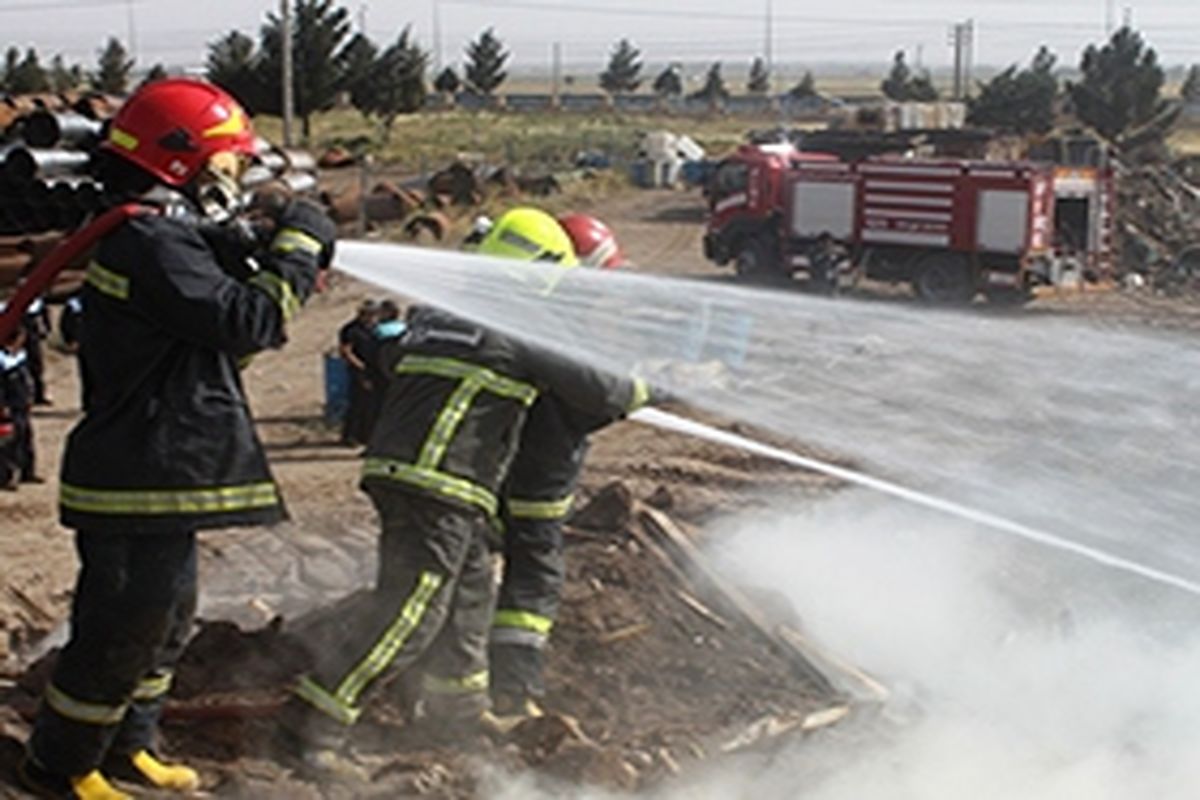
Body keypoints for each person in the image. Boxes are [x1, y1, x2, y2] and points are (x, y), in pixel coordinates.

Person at [19, 77, 336, 800]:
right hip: (135, 473)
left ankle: (132, 746)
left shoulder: (169, 239)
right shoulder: (148, 241)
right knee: (120, 628)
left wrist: (251, 248)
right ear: (182, 160)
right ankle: (60, 767)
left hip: (163, 471)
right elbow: (247, 323)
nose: (231, 181)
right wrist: (293, 249)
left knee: (165, 625)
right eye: (226, 164)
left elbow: (222, 347)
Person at [281, 207, 648, 771]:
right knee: (413, 610)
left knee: (470, 591)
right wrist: (660, 383)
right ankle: (313, 724)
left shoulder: (440, 315)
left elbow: (386, 352)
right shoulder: (522, 321)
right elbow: (610, 392)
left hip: (413, 476)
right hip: (439, 483)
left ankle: (457, 711)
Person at [489, 213, 647, 717]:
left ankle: (465, 675)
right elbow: (596, 401)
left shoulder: (513, 312)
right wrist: (657, 387)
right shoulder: (552, 327)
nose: (603, 296)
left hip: (491, 467)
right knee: (533, 574)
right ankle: (514, 690)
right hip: (537, 473)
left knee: (472, 566)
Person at [338, 299, 380, 446]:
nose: (372, 317)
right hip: (358, 371)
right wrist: (360, 368)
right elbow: (346, 351)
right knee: (357, 405)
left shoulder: (376, 328)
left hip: (373, 370)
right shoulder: (350, 329)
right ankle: (350, 436)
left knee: (370, 405)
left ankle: (365, 435)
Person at [0, 325, 38, 489]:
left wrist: (29, 398)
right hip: (10, 407)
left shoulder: (20, 358)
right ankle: (7, 476)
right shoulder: (3, 362)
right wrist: (3, 405)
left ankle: (27, 472)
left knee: (26, 439)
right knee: (10, 444)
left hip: (22, 404)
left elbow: (27, 382)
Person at [59, 291, 90, 408]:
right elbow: (65, 324)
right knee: (85, 373)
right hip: (82, 344)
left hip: (94, 343)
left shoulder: (96, 306)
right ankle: (86, 402)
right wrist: (70, 340)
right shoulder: (73, 306)